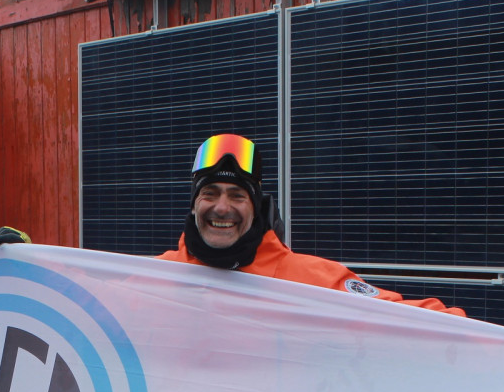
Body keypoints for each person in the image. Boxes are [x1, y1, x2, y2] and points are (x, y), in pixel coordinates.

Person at [159, 134, 464, 315]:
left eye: (237, 196)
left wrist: (491, 344)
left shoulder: (307, 280)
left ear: (255, 207)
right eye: (209, 194)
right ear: (194, 204)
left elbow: (396, 316)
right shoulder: (155, 279)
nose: (222, 208)